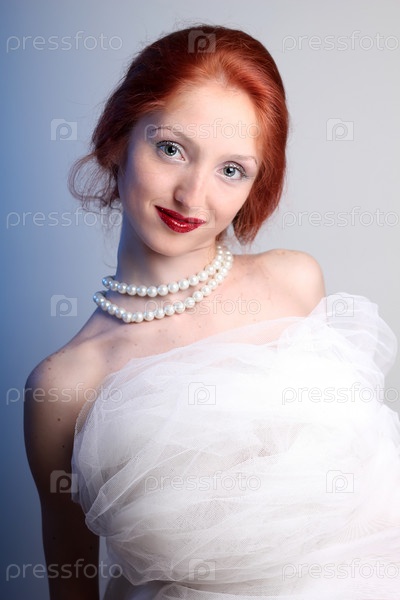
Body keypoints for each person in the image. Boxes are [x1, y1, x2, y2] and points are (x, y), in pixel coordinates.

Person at [24, 25, 400, 600]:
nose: (192, 195)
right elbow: (71, 585)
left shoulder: (295, 282)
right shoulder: (65, 383)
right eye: (171, 149)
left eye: (231, 170)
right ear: (118, 139)